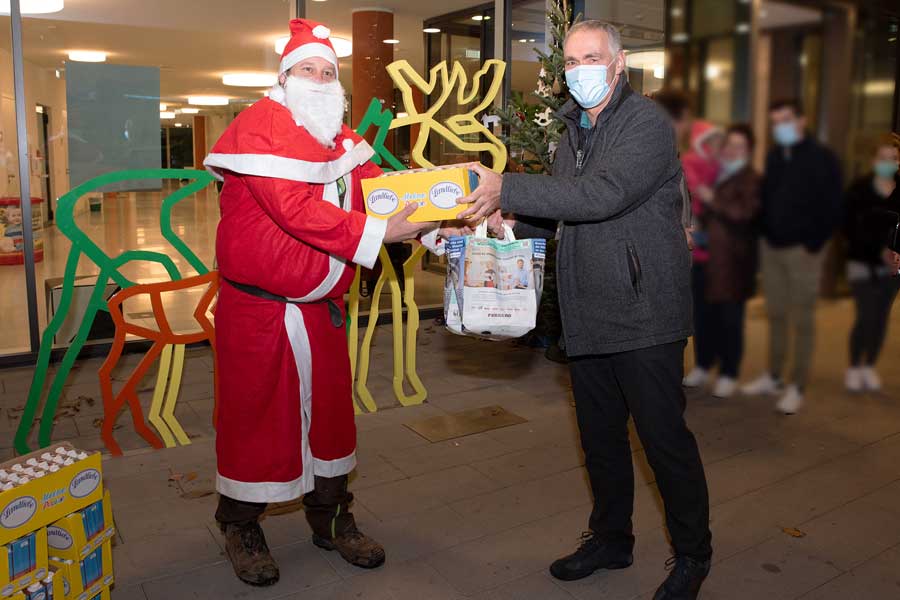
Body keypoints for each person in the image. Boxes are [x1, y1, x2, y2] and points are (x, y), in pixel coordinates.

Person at [458, 20, 712, 600]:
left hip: (645, 312)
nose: (580, 71)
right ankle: (611, 539)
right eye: (570, 62)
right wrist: (511, 221)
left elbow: (604, 196)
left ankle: (694, 554)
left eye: (591, 58)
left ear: (618, 64)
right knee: (599, 438)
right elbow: (568, 210)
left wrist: (508, 187)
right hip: (589, 310)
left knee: (663, 439)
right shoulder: (574, 131)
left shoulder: (645, 123)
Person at [203, 19, 449, 587]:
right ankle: (240, 525)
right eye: (306, 70)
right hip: (258, 313)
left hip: (319, 308)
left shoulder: (338, 140)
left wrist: (439, 216)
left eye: (327, 72)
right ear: (283, 80)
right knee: (254, 418)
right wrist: (378, 235)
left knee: (330, 417)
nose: (318, 79)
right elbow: (295, 209)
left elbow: (378, 188)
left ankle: (333, 517)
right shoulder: (258, 130)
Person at [741, 99, 843, 414]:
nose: (779, 127)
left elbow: (833, 207)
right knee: (777, 314)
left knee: (802, 318)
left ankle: (797, 386)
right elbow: (768, 198)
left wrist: (813, 244)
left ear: (802, 120)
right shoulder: (775, 156)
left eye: (785, 120)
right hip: (772, 247)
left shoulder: (822, 158)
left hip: (803, 251)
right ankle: (773, 376)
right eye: (775, 122)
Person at [686, 125, 761, 398]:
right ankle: (704, 365)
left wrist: (711, 198)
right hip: (706, 258)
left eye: (739, 146)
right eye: (730, 144)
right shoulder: (717, 172)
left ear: (749, 151)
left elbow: (744, 214)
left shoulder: (750, 178)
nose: (732, 150)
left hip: (732, 264)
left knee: (730, 320)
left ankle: (729, 372)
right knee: (703, 318)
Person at [843, 134, 900, 392]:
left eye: (894, 158)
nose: (889, 163)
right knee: (866, 316)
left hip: (895, 266)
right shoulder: (860, 189)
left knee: (880, 318)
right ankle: (855, 366)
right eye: (883, 158)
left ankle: (868, 366)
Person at [679, 120, 724, 390]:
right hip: (684, 249)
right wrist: (682, 230)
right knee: (685, 311)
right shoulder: (683, 170)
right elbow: (675, 204)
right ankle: (688, 368)